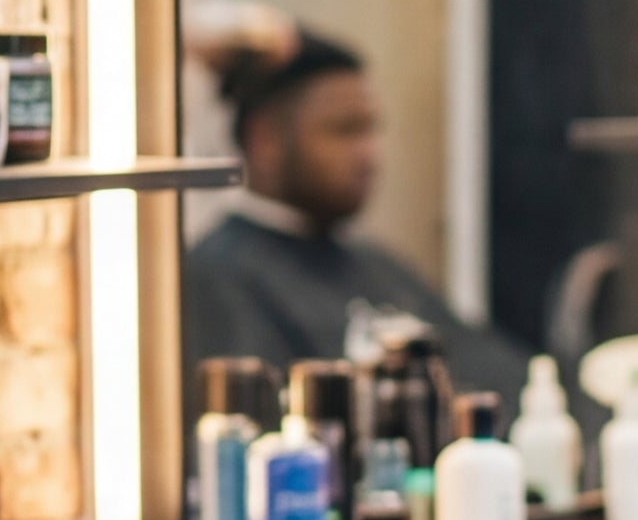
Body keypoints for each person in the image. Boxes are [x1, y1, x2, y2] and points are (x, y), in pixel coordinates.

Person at [182, 31, 527, 403]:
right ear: (265, 141)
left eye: (371, 130)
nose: (369, 154)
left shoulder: (375, 262)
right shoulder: (217, 277)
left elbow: (504, 376)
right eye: (345, 130)